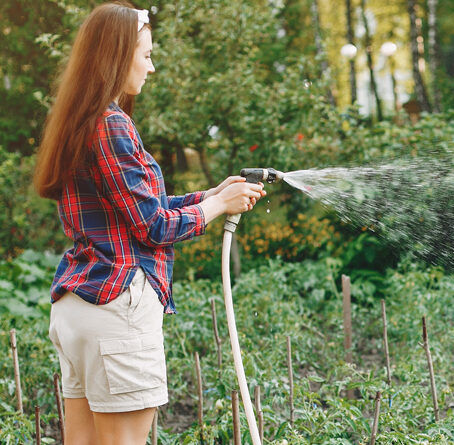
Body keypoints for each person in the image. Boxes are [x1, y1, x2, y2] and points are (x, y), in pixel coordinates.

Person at [33, 2, 265, 443]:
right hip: (116, 308)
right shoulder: (110, 124)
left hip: (79, 309)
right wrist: (216, 209)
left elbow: (138, 209)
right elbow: (154, 228)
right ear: (117, 58)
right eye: (145, 55)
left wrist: (212, 195)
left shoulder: (79, 120)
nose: (151, 67)